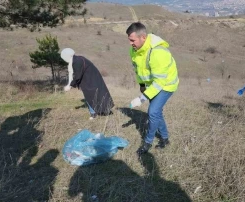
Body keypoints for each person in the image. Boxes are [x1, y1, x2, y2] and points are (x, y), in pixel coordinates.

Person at [126, 22, 179, 154]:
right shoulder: (134, 50)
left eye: (133, 40)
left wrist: (142, 98)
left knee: (153, 112)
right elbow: (138, 70)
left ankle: (147, 142)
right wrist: (142, 86)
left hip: (167, 85)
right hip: (152, 85)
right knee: (157, 113)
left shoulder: (158, 52)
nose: (130, 43)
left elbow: (160, 82)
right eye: (129, 40)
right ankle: (165, 139)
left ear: (143, 37)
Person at [61, 48, 114, 119]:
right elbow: (72, 73)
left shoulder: (77, 61)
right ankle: (102, 111)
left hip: (91, 79)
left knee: (91, 95)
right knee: (95, 95)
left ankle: (95, 113)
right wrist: (69, 84)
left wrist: (70, 86)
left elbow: (77, 76)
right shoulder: (76, 59)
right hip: (91, 79)